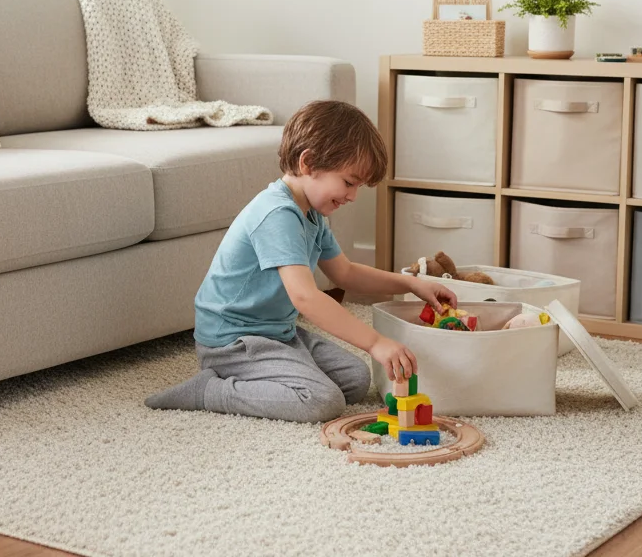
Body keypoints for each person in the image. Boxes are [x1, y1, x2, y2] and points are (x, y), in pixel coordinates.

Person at [144, 100, 458, 423]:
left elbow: (346, 273)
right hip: (233, 341)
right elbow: (305, 297)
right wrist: (375, 341)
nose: (352, 196)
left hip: (276, 332)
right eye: (349, 183)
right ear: (308, 163)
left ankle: (281, 367)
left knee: (355, 378)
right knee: (322, 400)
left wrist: (410, 283)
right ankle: (210, 390)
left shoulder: (312, 215)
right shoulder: (277, 214)